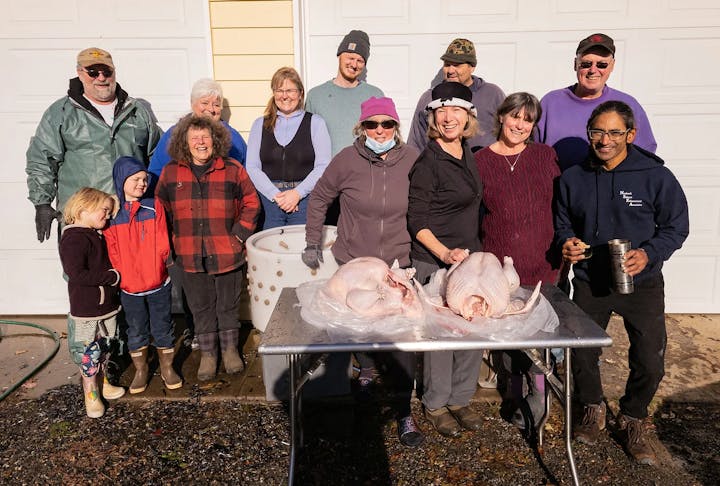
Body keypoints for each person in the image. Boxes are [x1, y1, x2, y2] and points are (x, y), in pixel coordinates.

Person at [555, 101, 689, 465]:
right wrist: (566, 242)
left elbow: (676, 228)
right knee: (582, 352)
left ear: (630, 134)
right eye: (597, 132)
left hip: (641, 282)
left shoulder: (656, 177)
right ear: (589, 133)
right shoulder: (573, 177)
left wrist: (649, 254)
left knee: (650, 359)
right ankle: (592, 408)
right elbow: (563, 222)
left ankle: (633, 417)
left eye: (615, 132)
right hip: (589, 280)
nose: (605, 140)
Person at [301, 96, 424, 447]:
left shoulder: (413, 159)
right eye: (372, 124)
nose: (380, 131)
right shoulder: (347, 160)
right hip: (355, 263)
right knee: (360, 330)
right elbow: (320, 197)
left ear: (397, 127)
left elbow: (430, 202)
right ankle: (366, 376)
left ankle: (403, 409)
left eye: (387, 124)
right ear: (362, 127)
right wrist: (313, 243)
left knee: (401, 339)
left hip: (398, 265)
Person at [474, 92, 561, 430]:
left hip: (543, 260)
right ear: (501, 117)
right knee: (507, 332)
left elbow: (561, 204)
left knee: (538, 332)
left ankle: (538, 394)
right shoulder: (481, 160)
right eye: (515, 117)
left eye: (528, 120)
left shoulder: (545, 155)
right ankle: (512, 390)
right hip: (500, 265)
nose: (520, 125)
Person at [155, 115, 260, 382]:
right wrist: (170, 245)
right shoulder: (171, 173)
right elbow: (160, 212)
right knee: (200, 307)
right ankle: (209, 354)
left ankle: (230, 350)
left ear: (215, 140)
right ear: (184, 143)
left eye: (205, 137)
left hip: (227, 250)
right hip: (189, 254)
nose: (201, 143)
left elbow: (251, 202)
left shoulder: (233, 169)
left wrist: (239, 236)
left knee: (228, 305)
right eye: (195, 138)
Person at [407, 82, 484, 437]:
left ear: (469, 116)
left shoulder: (467, 152)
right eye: (441, 111)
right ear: (433, 118)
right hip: (436, 261)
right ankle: (436, 403)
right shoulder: (429, 161)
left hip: (468, 259)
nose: (448, 117)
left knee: (470, 328)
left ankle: (460, 398)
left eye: (456, 110)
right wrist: (444, 253)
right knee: (441, 336)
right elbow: (417, 222)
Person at [27, 47, 162, 242]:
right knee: (86, 271)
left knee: (134, 271)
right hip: (85, 216)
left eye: (107, 72)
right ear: (80, 73)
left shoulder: (136, 111)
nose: (101, 78)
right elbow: (41, 160)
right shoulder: (62, 112)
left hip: (131, 214)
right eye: (93, 72)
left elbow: (156, 156)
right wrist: (42, 203)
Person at [104, 156, 182, 394]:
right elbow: (113, 251)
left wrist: (158, 268)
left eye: (144, 179)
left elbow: (162, 241)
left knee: (163, 326)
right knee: (136, 328)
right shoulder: (113, 213)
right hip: (130, 287)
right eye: (136, 179)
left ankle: (167, 368)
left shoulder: (153, 205)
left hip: (157, 282)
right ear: (121, 180)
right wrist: (124, 277)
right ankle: (141, 370)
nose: (142, 184)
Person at [537, 33, 657, 172]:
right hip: (558, 189)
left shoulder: (627, 105)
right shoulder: (550, 103)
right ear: (575, 64)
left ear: (612, 66)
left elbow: (644, 155)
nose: (593, 70)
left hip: (609, 189)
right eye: (586, 64)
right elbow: (529, 150)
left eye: (601, 64)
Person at [58, 187, 122, 418]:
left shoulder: (94, 234)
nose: (107, 215)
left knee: (105, 347)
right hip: (88, 309)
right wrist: (112, 277)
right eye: (103, 210)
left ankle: (103, 384)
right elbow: (76, 274)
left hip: (105, 307)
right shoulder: (74, 238)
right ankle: (91, 395)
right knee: (89, 353)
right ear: (83, 209)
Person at [246, 67, 331, 230]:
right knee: (270, 251)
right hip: (269, 201)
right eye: (279, 90)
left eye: (290, 90)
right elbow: (252, 166)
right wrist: (275, 195)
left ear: (300, 94)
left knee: (301, 250)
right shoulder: (259, 124)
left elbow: (323, 166)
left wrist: (297, 194)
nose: (285, 96)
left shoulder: (316, 123)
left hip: (304, 200)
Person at [408, 38, 505, 154]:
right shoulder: (430, 97)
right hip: (441, 168)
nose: (450, 70)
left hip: (485, 168)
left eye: (457, 65)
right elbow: (416, 142)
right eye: (447, 64)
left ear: (472, 67)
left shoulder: (492, 94)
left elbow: (508, 131)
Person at [148, 78, 247, 178]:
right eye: (205, 103)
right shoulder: (174, 135)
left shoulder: (233, 137)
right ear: (192, 103)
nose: (211, 109)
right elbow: (157, 171)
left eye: (216, 105)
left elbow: (245, 171)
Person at [306, 29, 384, 156]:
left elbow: (383, 138)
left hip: (363, 171)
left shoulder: (375, 95)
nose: (354, 64)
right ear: (339, 55)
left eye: (360, 61)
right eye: (350, 57)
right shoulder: (315, 96)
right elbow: (307, 140)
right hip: (327, 172)